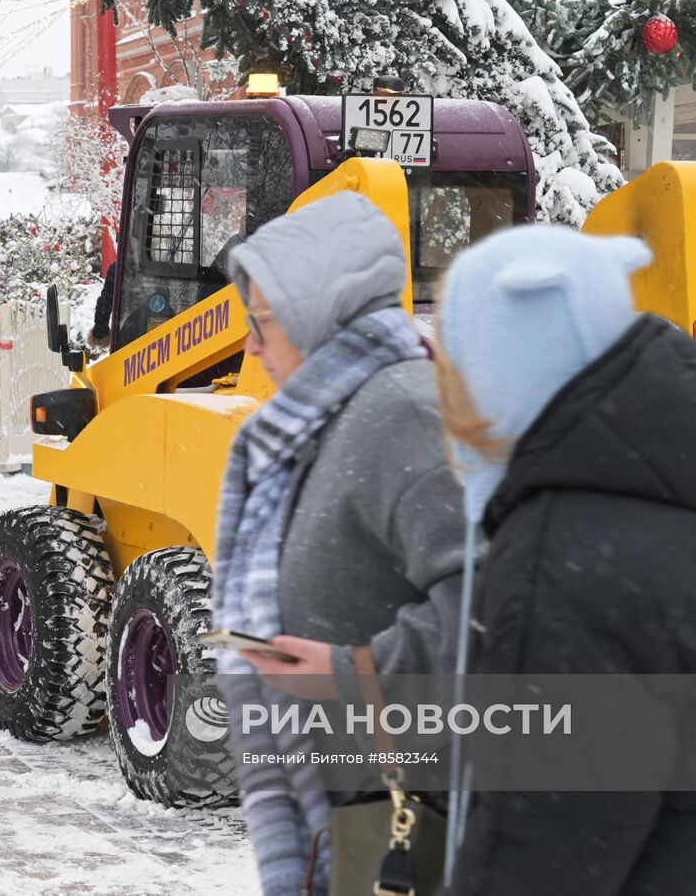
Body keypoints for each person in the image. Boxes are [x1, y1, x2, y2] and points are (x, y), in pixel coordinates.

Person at [433, 226, 696, 894]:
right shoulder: (682, 497)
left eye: (454, 363)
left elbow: (538, 851)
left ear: (506, 368)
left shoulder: (565, 557)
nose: (444, 393)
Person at [209, 191, 469, 895]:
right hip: (353, 821)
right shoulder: (317, 423)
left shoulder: (405, 412)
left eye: (262, 322)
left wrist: (355, 674)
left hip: (409, 829)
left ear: (316, 312)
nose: (251, 346)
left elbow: (495, 609)